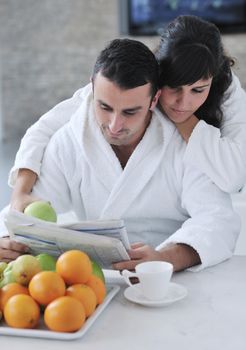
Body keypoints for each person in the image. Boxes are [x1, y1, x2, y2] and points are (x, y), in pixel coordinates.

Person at [0, 38, 240, 271]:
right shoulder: (71, 139)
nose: (115, 126)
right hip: (96, 280)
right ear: (92, 89)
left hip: (170, 277)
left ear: (154, 99)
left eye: (130, 112)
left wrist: (165, 259)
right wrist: (6, 239)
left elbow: (217, 221)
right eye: (105, 107)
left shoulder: (188, 144)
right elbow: (29, 208)